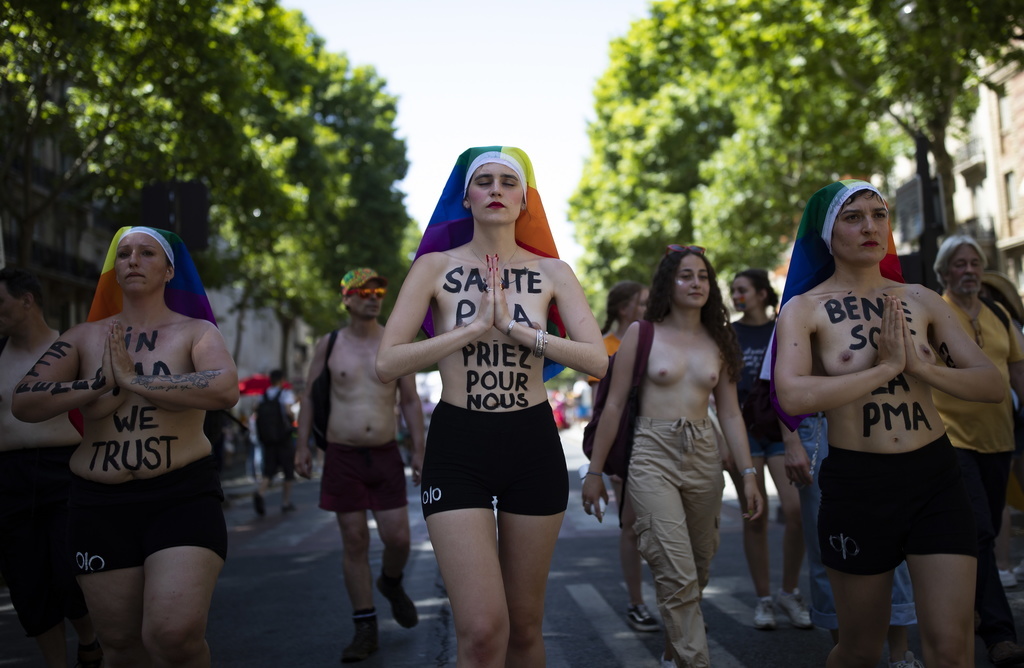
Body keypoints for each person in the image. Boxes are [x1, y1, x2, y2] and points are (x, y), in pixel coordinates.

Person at [375, 146, 607, 667]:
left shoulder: (553, 271)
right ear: (466, 197)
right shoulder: (434, 268)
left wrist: (522, 332)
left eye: (508, 181)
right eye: (485, 181)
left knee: (524, 627)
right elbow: (387, 363)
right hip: (459, 444)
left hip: (531, 442)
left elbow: (598, 360)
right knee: (481, 630)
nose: (497, 189)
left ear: (525, 198)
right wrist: (473, 329)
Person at [772, 180, 1002, 667]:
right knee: (860, 648)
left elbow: (991, 384)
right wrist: (882, 369)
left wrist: (921, 369)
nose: (870, 226)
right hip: (859, 483)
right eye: (853, 217)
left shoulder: (922, 298)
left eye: (879, 215)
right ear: (827, 233)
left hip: (936, 478)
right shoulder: (804, 309)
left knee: (950, 647)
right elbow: (791, 392)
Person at [12, 226, 239, 667]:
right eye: (124, 253)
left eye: (147, 253)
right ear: (115, 269)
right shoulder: (82, 337)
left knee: (174, 635)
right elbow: (24, 400)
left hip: (181, 497)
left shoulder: (196, 332)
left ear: (170, 270)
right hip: (98, 506)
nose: (133, 260)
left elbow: (223, 388)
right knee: (120, 643)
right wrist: (97, 383)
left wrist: (137, 380)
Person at [583, 244, 765, 668]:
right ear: (668, 283)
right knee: (676, 572)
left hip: (703, 452)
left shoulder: (720, 338)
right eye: (686, 275)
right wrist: (594, 472)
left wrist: (749, 473)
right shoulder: (641, 334)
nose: (696, 283)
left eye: (702, 276)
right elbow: (611, 406)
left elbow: (731, 413)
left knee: (697, 570)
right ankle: (693, 661)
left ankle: (672, 653)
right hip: (650, 452)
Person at [294, 267, 426, 663]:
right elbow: (311, 397)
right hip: (342, 455)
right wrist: (302, 447)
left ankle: (391, 581)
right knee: (354, 540)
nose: (373, 296)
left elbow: (409, 400)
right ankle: (365, 627)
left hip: (384, 454)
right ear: (347, 298)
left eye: (379, 290)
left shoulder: (394, 342)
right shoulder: (329, 344)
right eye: (364, 291)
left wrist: (420, 449)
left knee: (399, 539)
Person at [0, 268, 102, 668]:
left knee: (69, 572)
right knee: (28, 583)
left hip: (67, 471)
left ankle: (90, 640)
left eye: (1, 303)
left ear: (27, 301)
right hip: (9, 478)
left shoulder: (71, 349)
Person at [929, 235, 1024, 667]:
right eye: (960, 264)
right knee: (982, 531)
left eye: (975, 264)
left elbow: (1017, 372)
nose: (969, 270)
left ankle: (964, 608)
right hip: (952, 439)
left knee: (978, 533)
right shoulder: (934, 313)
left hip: (999, 439)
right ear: (944, 271)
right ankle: (1000, 635)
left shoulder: (1000, 314)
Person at [783, 414, 924, 668]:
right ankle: (846, 653)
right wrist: (791, 442)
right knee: (827, 546)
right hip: (817, 425)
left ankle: (900, 657)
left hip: (878, 419)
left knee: (893, 536)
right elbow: (779, 386)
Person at [728, 268, 810, 630]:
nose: (736, 296)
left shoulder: (784, 326)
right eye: (733, 291)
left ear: (762, 293)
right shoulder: (729, 333)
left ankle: (789, 591)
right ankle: (764, 600)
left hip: (780, 429)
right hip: (744, 431)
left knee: (795, 512)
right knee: (755, 515)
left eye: (742, 290)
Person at [590, 280, 660, 633]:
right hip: (625, 444)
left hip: (658, 441)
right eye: (643, 302)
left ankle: (679, 606)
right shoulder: (604, 347)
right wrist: (604, 463)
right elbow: (603, 409)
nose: (649, 308)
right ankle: (636, 602)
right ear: (623, 309)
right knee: (631, 527)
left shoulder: (655, 337)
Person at [253, 368, 297, 515]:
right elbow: (289, 412)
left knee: (269, 470)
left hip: (268, 439)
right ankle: (285, 502)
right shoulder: (285, 394)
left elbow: (256, 413)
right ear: (282, 379)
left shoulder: (263, 396)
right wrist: (293, 420)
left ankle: (260, 492)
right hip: (283, 438)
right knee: (288, 470)